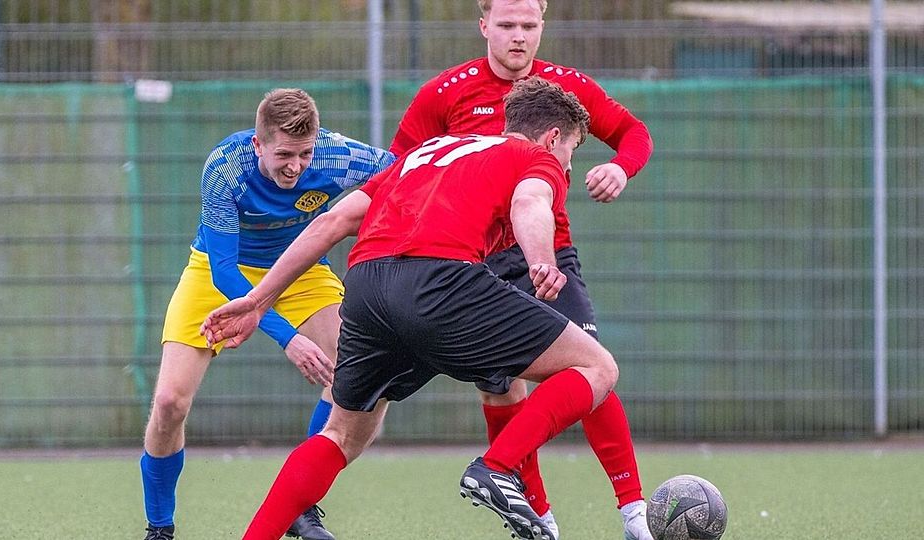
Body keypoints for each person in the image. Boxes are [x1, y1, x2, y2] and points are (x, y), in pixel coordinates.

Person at [202, 78, 617, 540]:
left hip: (366, 287)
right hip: (441, 279)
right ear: (553, 137)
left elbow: (333, 221)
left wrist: (258, 301)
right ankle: (498, 467)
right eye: (573, 151)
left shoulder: (429, 151)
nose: (568, 164)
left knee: (343, 433)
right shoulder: (535, 158)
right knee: (596, 366)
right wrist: (542, 261)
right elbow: (530, 201)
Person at [387, 1, 654, 538]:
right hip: (475, 263)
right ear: (483, 25)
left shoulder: (563, 89)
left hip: (550, 252)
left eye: (528, 26)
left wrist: (620, 168)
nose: (517, 37)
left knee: (591, 367)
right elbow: (402, 168)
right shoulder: (445, 92)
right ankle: (540, 520)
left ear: (542, 26)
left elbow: (633, 133)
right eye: (506, 25)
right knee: (501, 389)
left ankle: (634, 513)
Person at [140, 88, 395, 540]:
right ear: (258, 144)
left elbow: (408, 173)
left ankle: (301, 504)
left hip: (301, 269)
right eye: (283, 155)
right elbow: (223, 271)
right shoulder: (226, 166)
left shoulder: (338, 157)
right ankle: (160, 528)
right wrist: (289, 338)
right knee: (168, 403)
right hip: (221, 274)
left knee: (352, 375)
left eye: (304, 153)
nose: (295, 166)